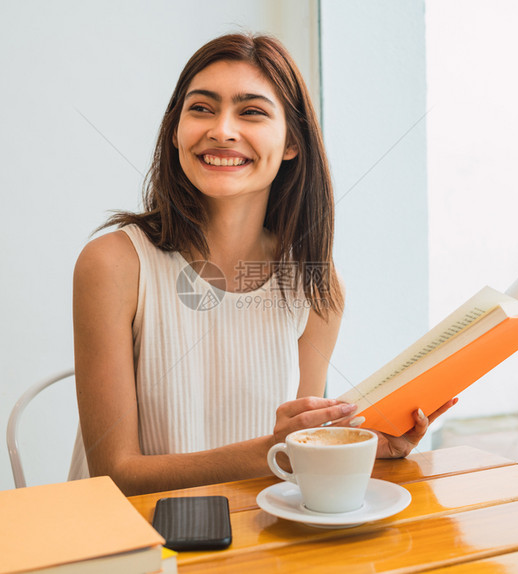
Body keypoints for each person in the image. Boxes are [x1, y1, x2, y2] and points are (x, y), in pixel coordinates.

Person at [69, 33, 455, 496]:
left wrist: (351, 445)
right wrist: (274, 452)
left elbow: (296, 452)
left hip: (254, 531)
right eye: (201, 108)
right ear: (176, 131)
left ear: (292, 141)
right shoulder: (113, 264)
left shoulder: (316, 287)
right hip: (133, 542)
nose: (222, 130)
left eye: (251, 111)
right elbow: (116, 475)